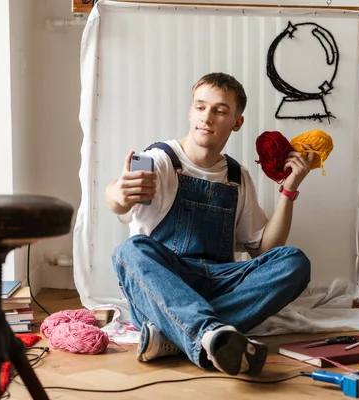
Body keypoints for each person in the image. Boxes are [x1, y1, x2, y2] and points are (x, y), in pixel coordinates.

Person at [106, 72, 313, 376]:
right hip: (165, 284)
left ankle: (176, 336)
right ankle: (211, 334)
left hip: (217, 283)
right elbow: (117, 200)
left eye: (220, 110)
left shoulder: (236, 175)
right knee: (130, 251)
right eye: (200, 107)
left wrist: (289, 189)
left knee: (294, 262)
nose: (207, 117)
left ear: (236, 122)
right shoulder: (160, 160)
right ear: (190, 112)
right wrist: (118, 193)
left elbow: (265, 249)